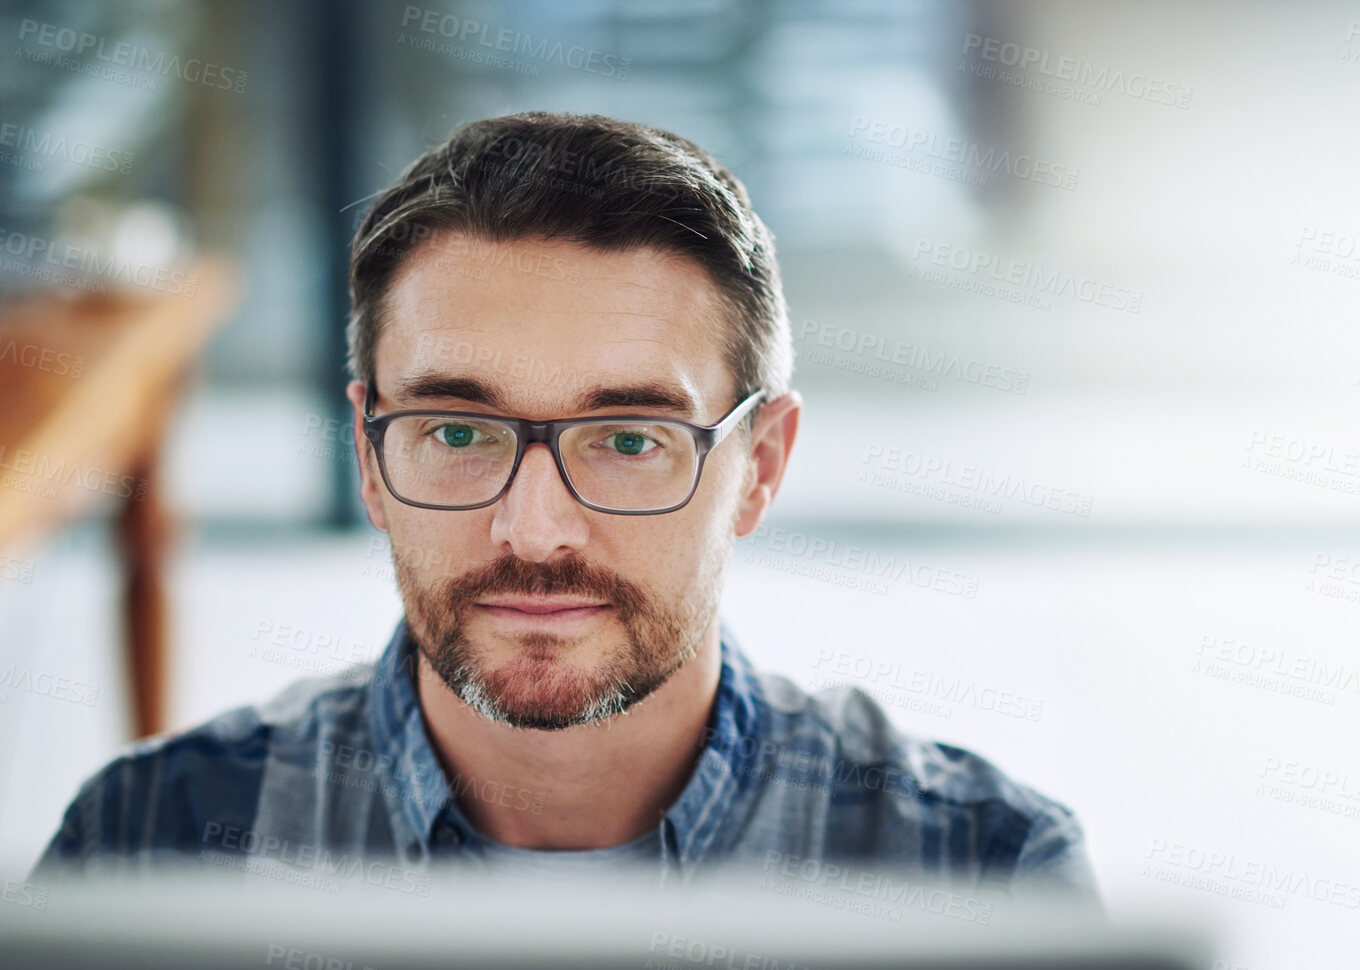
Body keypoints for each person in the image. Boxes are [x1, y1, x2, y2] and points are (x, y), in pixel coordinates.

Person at [29, 111, 1098, 908]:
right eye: (456, 432)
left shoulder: (983, 874)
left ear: (760, 466)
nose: (533, 532)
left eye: (630, 440)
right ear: (367, 452)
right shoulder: (146, 848)